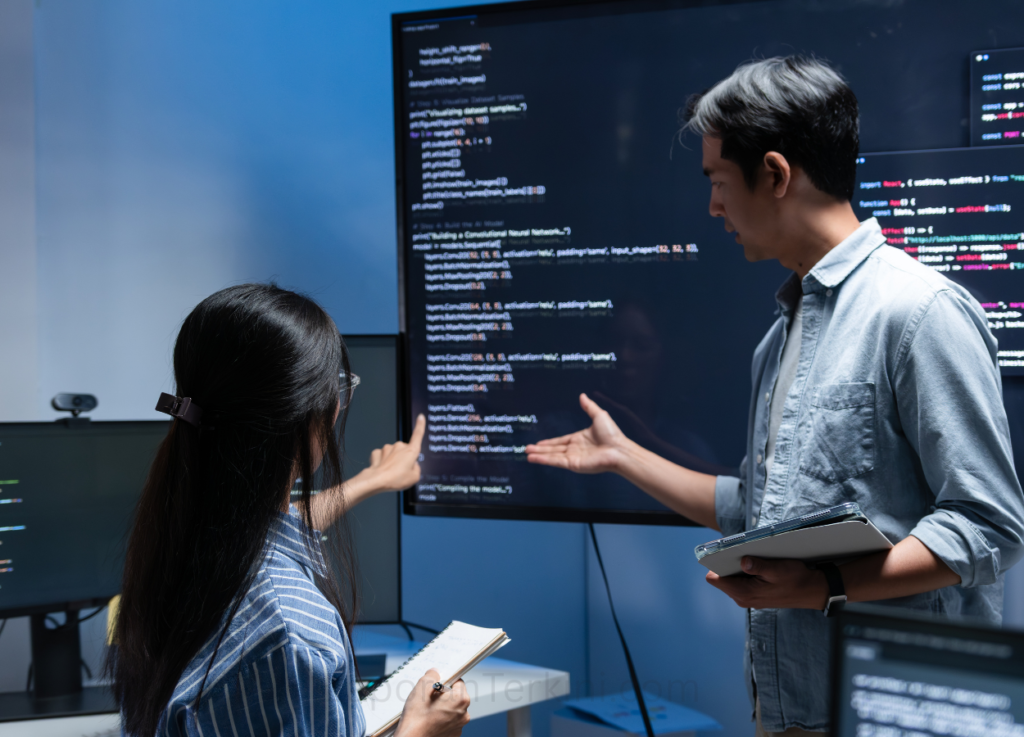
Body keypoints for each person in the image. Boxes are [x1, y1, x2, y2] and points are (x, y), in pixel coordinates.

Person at [526, 57, 1024, 735]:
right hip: (792, 714)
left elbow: (989, 523)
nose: (713, 207)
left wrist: (824, 585)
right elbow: (759, 509)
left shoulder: (919, 313)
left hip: (900, 715)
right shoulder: (780, 337)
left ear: (776, 174)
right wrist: (623, 456)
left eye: (719, 182)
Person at [110, 284, 470, 737]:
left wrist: (371, 480)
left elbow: (270, 528)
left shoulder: (182, 544)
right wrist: (419, 730)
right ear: (315, 414)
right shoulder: (289, 631)